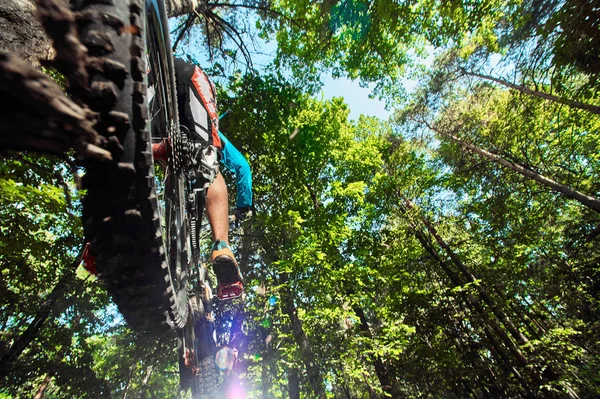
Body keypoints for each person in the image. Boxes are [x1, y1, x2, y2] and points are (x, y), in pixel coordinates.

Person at [152, 58, 251, 300]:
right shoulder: (217, 133)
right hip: (189, 76)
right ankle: (221, 248)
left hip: (150, 75)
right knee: (207, 159)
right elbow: (242, 167)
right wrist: (243, 207)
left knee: (142, 149)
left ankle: (102, 236)